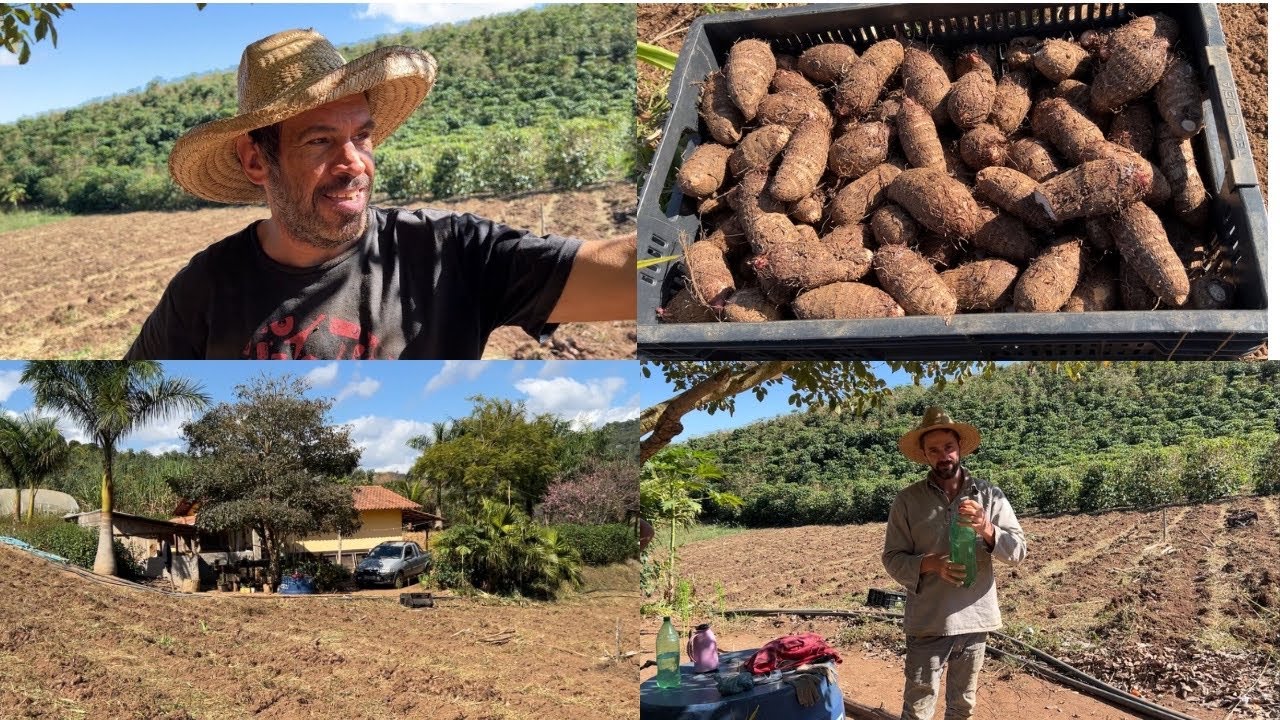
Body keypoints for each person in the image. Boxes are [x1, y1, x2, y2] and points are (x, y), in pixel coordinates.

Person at [125, 28, 633, 360]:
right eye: (319, 141)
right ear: (256, 160)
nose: (354, 163)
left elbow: (627, 273)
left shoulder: (449, 253)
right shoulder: (205, 289)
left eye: (362, 136)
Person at [882, 406, 1027, 720]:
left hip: (975, 619)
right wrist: (929, 564)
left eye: (948, 447)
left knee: (962, 707)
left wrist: (987, 528)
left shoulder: (989, 495)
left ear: (960, 447)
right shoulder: (907, 501)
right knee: (917, 709)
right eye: (933, 450)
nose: (943, 456)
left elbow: (1018, 552)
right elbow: (892, 558)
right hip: (928, 621)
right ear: (924, 455)